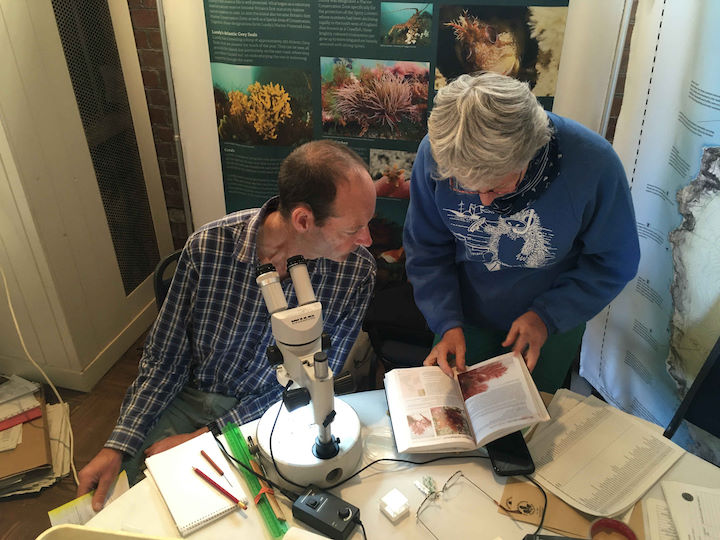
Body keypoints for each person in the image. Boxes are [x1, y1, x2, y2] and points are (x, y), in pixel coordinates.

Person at [78, 140, 377, 510]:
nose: (367, 240)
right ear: (303, 220)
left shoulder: (355, 273)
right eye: (354, 229)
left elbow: (314, 375)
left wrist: (207, 436)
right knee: (125, 504)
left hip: (271, 410)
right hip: (187, 396)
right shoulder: (208, 247)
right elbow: (163, 360)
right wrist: (118, 443)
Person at [404, 72, 640, 391]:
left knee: (532, 426)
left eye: (498, 187)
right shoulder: (439, 151)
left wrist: (547, 316)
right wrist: (445, 321)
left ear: (530, 153)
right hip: (460, 312)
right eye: (468, 188)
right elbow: (426, 249)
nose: (485, 201)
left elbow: (613, 262)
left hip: (552, 317)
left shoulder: (593, 164)